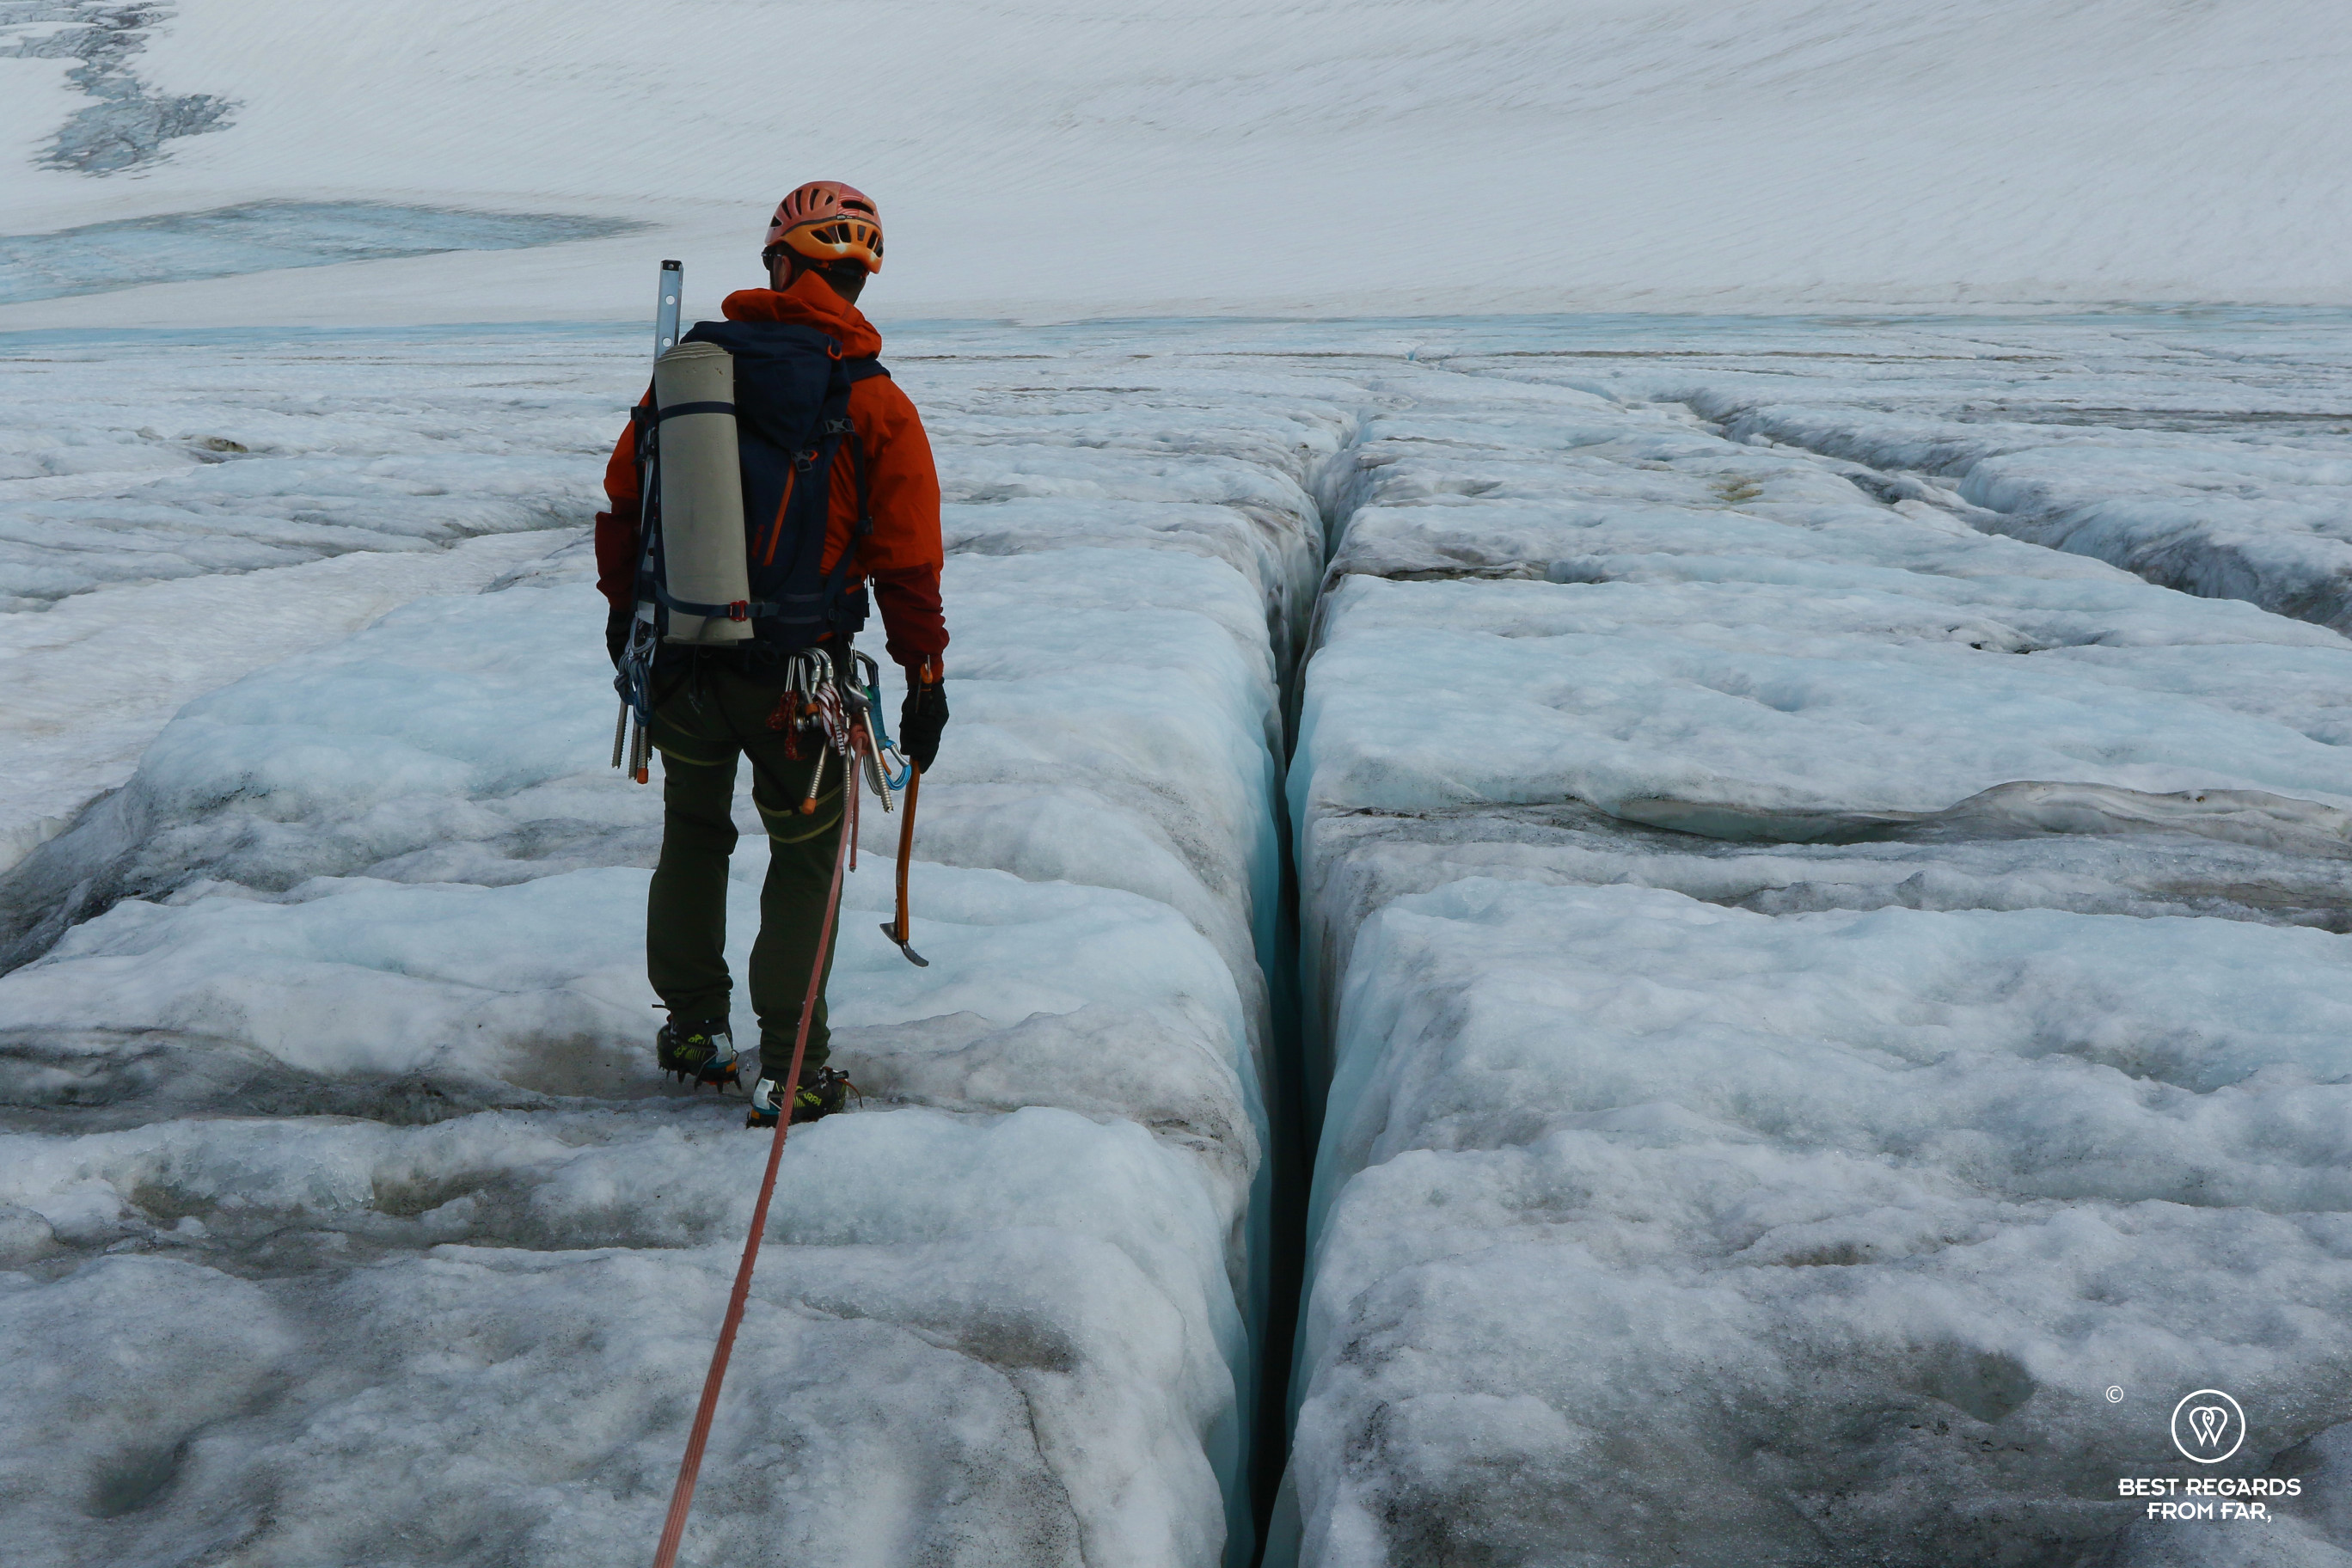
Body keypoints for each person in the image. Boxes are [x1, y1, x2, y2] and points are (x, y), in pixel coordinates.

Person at [594, 181, 950, 1128]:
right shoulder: (873, 399)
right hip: (800, 681)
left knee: (694, 831)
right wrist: (925, 677)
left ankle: (694, 1029)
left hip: (679, 666)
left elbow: (626, 506)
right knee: (802, 856)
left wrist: (625, 624)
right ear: (856, 281)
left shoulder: (689, 371)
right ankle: (794, 1064)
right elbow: (908, 560)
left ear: (777, 266)